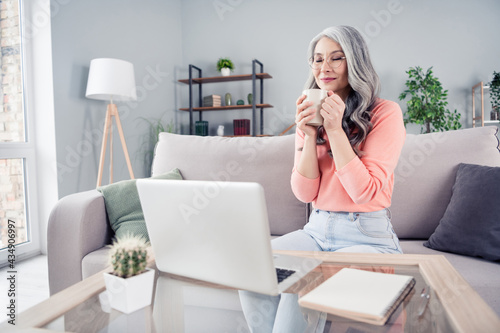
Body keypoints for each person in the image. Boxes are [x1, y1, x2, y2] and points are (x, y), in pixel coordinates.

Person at [239, 25, 406, 332]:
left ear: (354, 62)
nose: (324, 67)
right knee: (252, 271)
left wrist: (334, 130)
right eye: (317, 60)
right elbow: (304, 193)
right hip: (316, 230)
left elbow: (365, 191)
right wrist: (309, 132)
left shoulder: (385, 113)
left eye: (336, 58)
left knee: (301, 282)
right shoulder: (309, 114)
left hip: (367, 236)